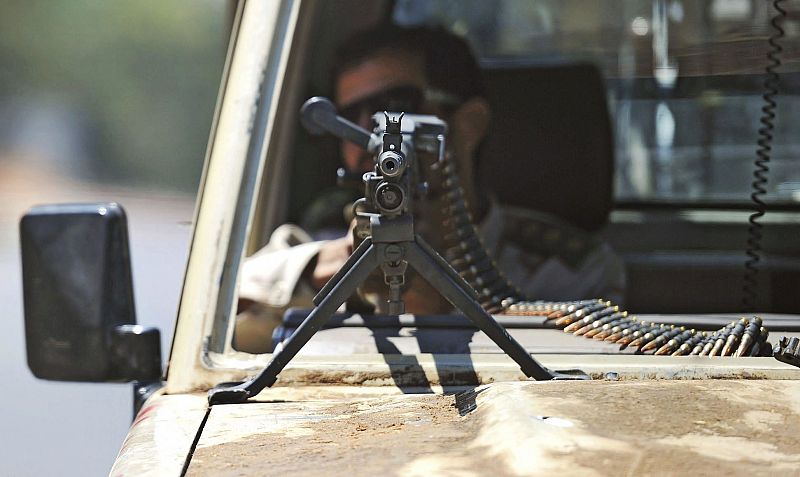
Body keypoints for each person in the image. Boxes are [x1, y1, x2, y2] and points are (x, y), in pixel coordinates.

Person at [234, 24, 625, 353]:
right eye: (350, 116)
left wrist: (438, 301)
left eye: (395, 103)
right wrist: (348, 262)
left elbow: (570, 380)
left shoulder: (567, 269)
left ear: (469, 124)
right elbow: (220, 313)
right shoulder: (316, 242)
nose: (369, 132)